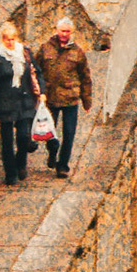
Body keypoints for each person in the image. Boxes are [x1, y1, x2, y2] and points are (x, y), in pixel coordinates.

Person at [0, 20, 44, 185]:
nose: (10, 42)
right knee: (7, 140)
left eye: (12, 39)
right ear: (2, 40)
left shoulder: (24, 52)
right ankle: (10, 173)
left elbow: (36, 72)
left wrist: (42, 91)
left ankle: (21, 164)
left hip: (24, 100)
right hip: (4, 102)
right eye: (7, 39)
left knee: (24, 136)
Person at [36, 17, 93, 179]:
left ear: (71, 32)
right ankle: (53, 151)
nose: (64, 34)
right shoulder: (45, 48)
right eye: (62, 31)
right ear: (57, 30)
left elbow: (85, 77)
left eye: (67, 31)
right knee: (49, 131)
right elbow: (36, 70)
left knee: (69, 133)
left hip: (70, 98)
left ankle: (63, 165)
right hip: (50, 97)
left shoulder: (77, 52)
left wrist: (87, 101)